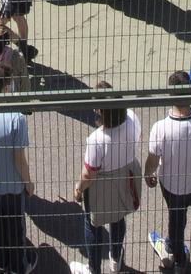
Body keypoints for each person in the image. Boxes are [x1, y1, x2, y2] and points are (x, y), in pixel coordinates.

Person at [145, 71, 191, 273]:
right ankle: (173, 245)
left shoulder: (161, 127)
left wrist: (147, 174)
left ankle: (178, 260)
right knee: (187, 214)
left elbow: (152, 159)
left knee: (176, 220)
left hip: (172, 187)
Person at [72, 81, 141, 274]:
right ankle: (115, 258)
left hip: (102, 186)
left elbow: (89, 174)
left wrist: (78, 188)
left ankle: (94, 268)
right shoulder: (132, 119)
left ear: (100, 110)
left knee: (92, 223)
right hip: (126, 179)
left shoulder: (97, 139)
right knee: (118, 219)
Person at [0, 62, 35, 274]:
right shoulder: (16, 118)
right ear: (5, 87)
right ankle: (19, 267)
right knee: (15, 230)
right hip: (11, 185)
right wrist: (28, 183)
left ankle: (1, 263)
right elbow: (19, 158)